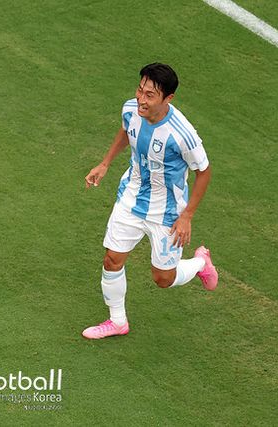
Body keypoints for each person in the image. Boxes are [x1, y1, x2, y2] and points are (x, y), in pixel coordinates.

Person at [82, 63, 218, 340]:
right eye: (140, 90)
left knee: (163, 279)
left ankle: (200, 264)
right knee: (112, 259)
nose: (141, 99)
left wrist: (187, 216)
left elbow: (203, 172)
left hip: (167, 212)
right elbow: (126, 130)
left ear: (168, 98)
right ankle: (117, 321)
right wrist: (105, 163)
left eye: (150, 95)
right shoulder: (131, 109)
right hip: (131, 197)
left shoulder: (183, 135)